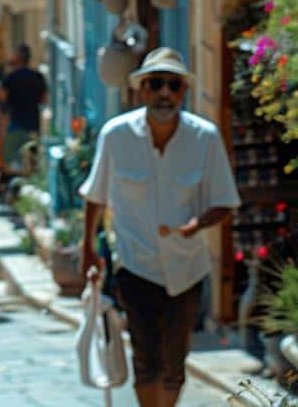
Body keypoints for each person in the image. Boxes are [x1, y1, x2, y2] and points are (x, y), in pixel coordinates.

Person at [79, 48, 240, 407]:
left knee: (175, 363)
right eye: (155, 84)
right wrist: (87, 249)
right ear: (142, 90)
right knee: (146, 358)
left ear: (183, 91)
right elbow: (96, 195)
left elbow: (225, 202)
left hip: (187, 267)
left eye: (172, 85)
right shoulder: (116, 135)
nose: (164, 93)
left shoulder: (205, 138)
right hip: (136, 265)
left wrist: (196, 225)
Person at [0, 43, 47, 172]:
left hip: (15, 124)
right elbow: (44, 100)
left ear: (17, 57)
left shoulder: (9, 78)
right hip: (33, 125)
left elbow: (2, 103)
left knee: (13, 164)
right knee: (32, 163)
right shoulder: (38, 77)